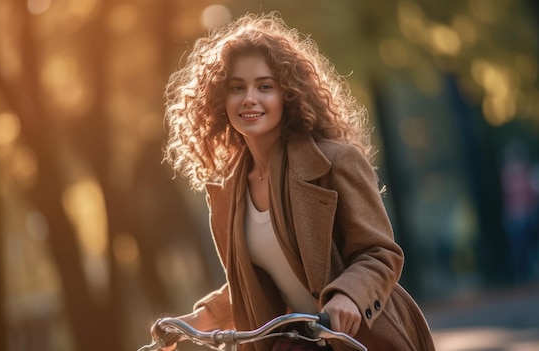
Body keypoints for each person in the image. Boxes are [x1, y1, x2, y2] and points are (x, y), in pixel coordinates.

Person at [157, 12, 436, 351]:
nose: (249, 98)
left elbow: (380, 253)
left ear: (287, 94)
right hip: (299, 343)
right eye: (236, 88)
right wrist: (198, 319)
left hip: (364, 337)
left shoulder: (336, 161)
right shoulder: (229, 192)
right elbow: (253, 284)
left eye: (264, 86)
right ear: (220, 100)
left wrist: (348, 295)